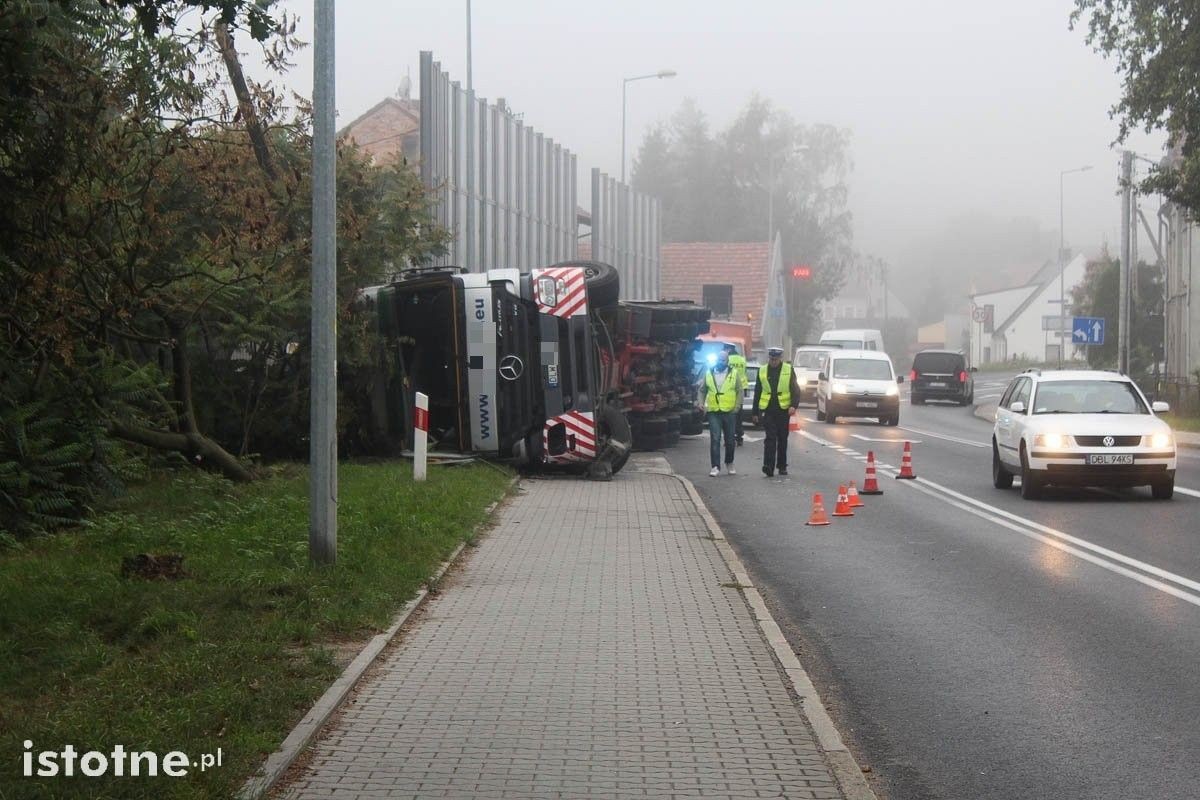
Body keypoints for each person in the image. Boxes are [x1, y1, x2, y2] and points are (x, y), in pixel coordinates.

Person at [751, 346, 801, 477]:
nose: (773, 361)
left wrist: (793, 405)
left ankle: (782, 465)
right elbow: (757, 392)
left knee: (782, 438)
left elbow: (796, 390)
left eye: (776, 359)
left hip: (783, 410)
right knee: (770, 439)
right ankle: (768, 466)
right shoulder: (762, 371)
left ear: (780, 358)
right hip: (768, 410)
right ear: (769, 358)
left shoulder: (788, 370)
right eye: (771, 359)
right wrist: (755, 412)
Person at [697, 348, 739, 477]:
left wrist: (736, 407)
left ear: (727, 361)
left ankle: (729, 462)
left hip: (729, 411)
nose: (721, 362)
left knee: (730, 440)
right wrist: (701, 403)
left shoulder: (733, 373)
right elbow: (702, 390)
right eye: (719, 360)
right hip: (714, 411)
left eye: (723, 360)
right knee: (715, 439)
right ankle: (715, 466)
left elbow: (739, 391)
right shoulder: (709, 372)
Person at [725, 344, 748, 445]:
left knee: (728, 414)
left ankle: (730, 437)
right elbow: (745, 373)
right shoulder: (742, 360)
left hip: (730, 389)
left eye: (725, 349)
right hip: (742, 389)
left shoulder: (727, 359)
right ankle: (739, 437)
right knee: (739, 414)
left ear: (729, 349)